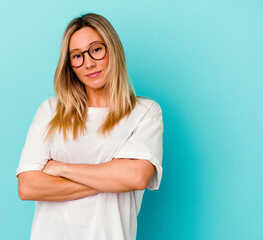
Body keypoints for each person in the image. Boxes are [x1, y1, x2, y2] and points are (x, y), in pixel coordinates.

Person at [16, 13, 163, 240]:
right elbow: (27, 187)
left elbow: (136, 177)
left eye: (96, 50)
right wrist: (111, 179)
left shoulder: (144, 112)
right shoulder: (50, 111)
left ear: (112, 49)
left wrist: (60, 168)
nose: (88, 63)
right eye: (77, 56)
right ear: (70, 65)